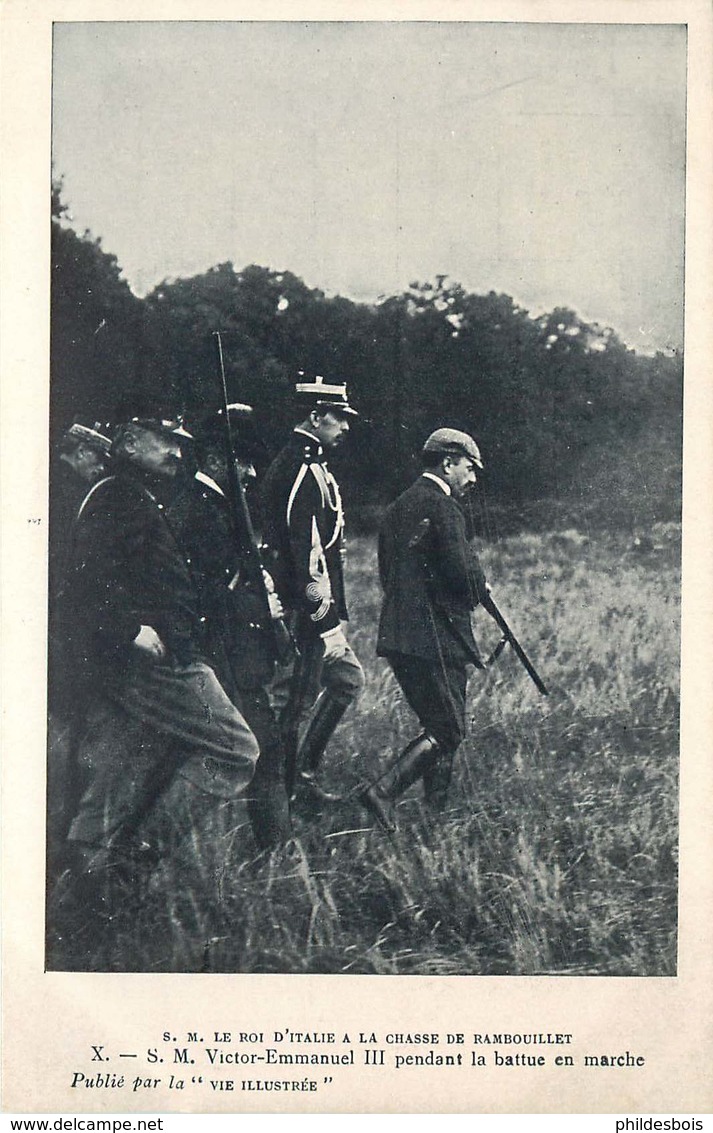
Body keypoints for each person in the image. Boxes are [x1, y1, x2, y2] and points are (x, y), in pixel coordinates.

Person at [60, 412, 260, 910]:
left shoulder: (130, 495)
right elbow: (83, 583)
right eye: (165, 440)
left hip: (148, 658)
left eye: (179, 442)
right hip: (160, 663)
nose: (176, 451)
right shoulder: (118, 498)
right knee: (237, 750)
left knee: (116, 770)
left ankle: (84, 889)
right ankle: (136, 857)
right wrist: (130, 632)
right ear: (128, 441)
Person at [167, 404, 293, 849]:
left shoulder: (220, 509)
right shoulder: (197, 513)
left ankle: (275, 852)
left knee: (260, 749)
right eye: (244, 462)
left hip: (241, 654)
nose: (253, 473)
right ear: (217, 460)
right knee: (257, 751)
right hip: (223, 654)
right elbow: (210, 595)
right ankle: (277, 855)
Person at [361, 428, 489, 830]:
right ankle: (383, 792)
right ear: (448, 462)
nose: (472, 479)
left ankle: (437, 818)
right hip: (438, 638)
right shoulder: (444, 507)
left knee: (441, 725)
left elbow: (388, 572)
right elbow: (463, 576)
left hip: (401, 636)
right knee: (448, 728)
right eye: (469, 469)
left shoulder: (399, 506)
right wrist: (479, 586)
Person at [260, 374, 365, 802]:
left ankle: (298, 779)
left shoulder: (312, 466)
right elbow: (306, 556)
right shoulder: (300, 469)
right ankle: (283, 798)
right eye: (338, 418)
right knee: (294, 705)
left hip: (311, 610)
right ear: (315, 416)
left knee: (344, 681)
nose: (345, 427)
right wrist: (327, 625)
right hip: (302, 611)